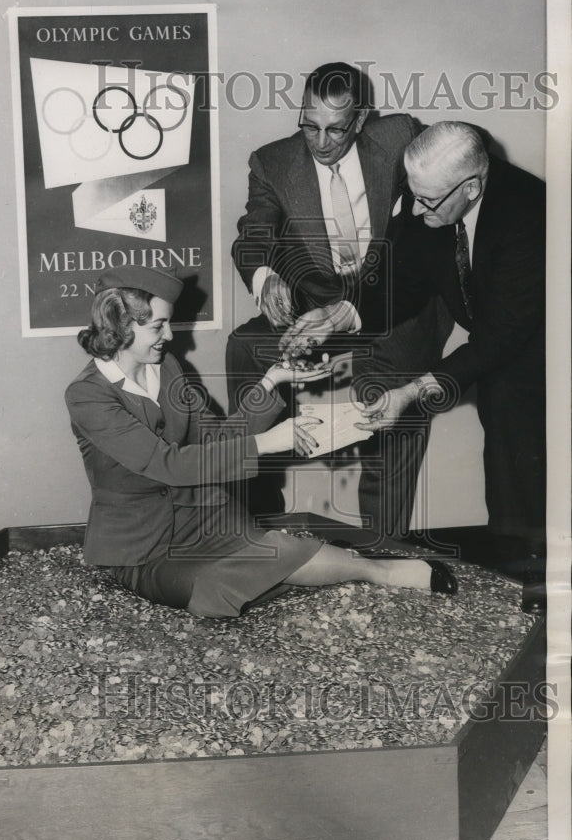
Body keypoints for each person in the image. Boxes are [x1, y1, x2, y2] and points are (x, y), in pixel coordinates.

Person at [64, 264, 456, 620]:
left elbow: (215, 438)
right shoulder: (87, 395)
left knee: (274, 552)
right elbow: (168, 463)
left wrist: (271, 380)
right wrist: (266, 442)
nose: (169, 335)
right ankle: (326, 560)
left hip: (205, 520)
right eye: (158, 326)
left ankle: (375, 569)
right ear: (121, 325)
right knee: (214, 589)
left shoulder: (166, 367)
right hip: (140, 550)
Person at [282, 122, 546, 584]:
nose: (416, 210)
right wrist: (342, 314)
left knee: (518, 427)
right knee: (505, 441)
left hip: (547, 344)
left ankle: (537, 574)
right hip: (502, 335)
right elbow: (402, 278)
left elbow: (503, 336)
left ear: (471, 188)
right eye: (414, 195)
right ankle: (515, 562)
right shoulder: (429, 192)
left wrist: (411, 392)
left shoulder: (530, 211)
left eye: (428, 201)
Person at [228, 62, 452, 536]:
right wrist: (265, 277)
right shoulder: (272, 162)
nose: (321, 141)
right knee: (244, 348)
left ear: (361, 118)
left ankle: (384, 542)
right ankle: (253, 516)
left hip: (395, 307)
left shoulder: (399, 137)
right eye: (309, 126)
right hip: (319, 308)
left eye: (335, 129)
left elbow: (453, 176)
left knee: (392, 405)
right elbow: (253, 234)